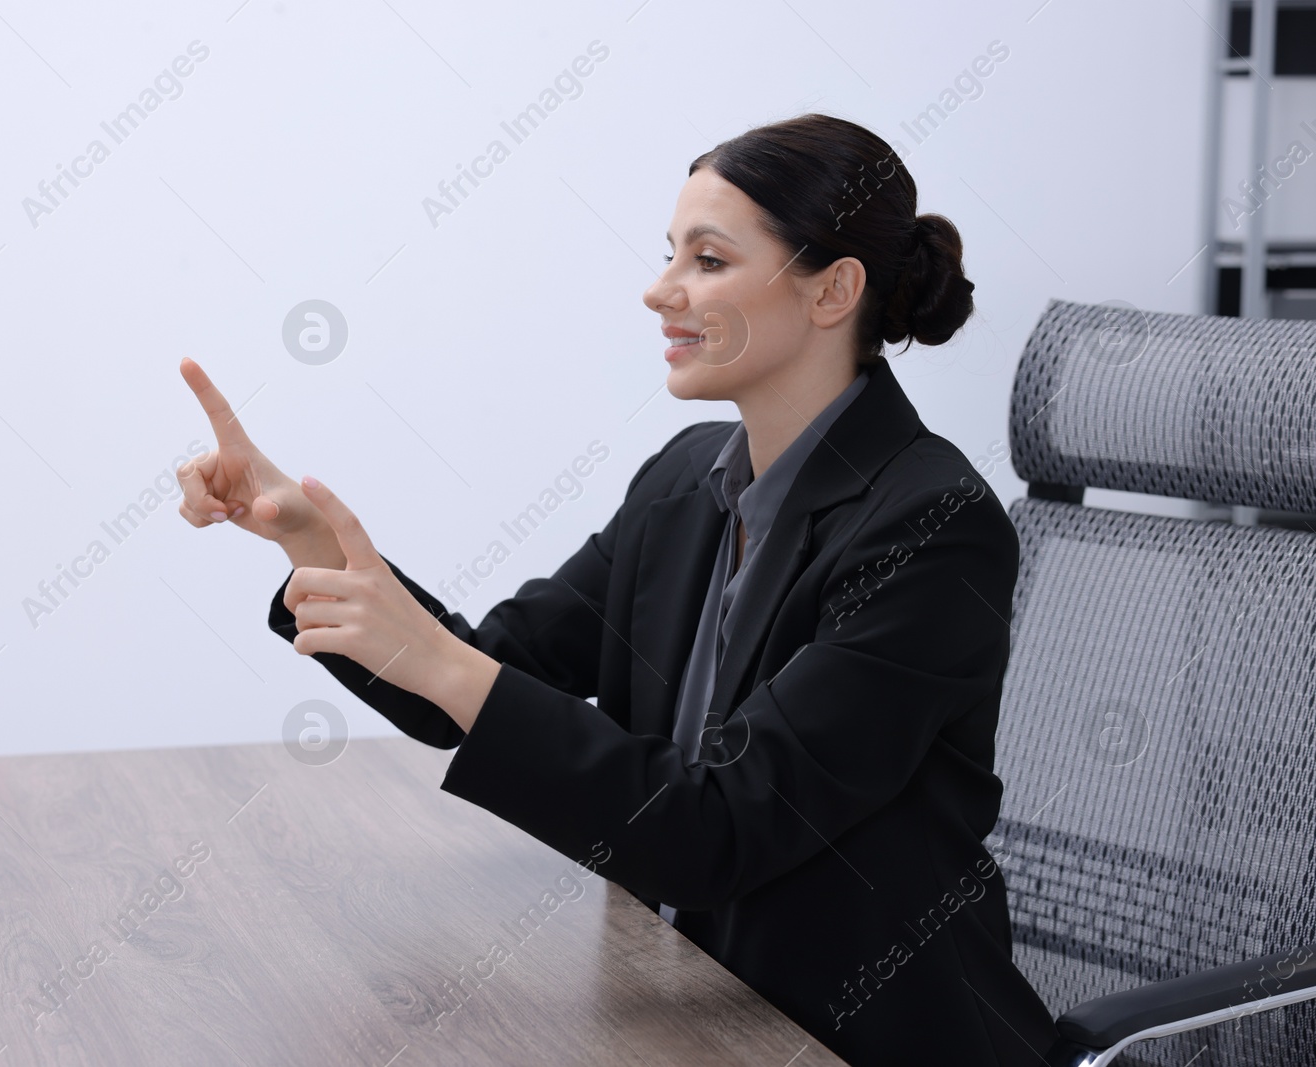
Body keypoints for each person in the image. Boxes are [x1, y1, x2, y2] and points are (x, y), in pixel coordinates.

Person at [174, 112, 1060, 1067]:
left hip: (852, 1037)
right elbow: (485, 681)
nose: (659, 290)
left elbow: (720, 829)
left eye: (708, 260)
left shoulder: (933, 530)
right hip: (682, 1007)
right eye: (669, 254)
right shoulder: (685, 481)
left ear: (833, 288)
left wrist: (446, 664)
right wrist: (307, 539)